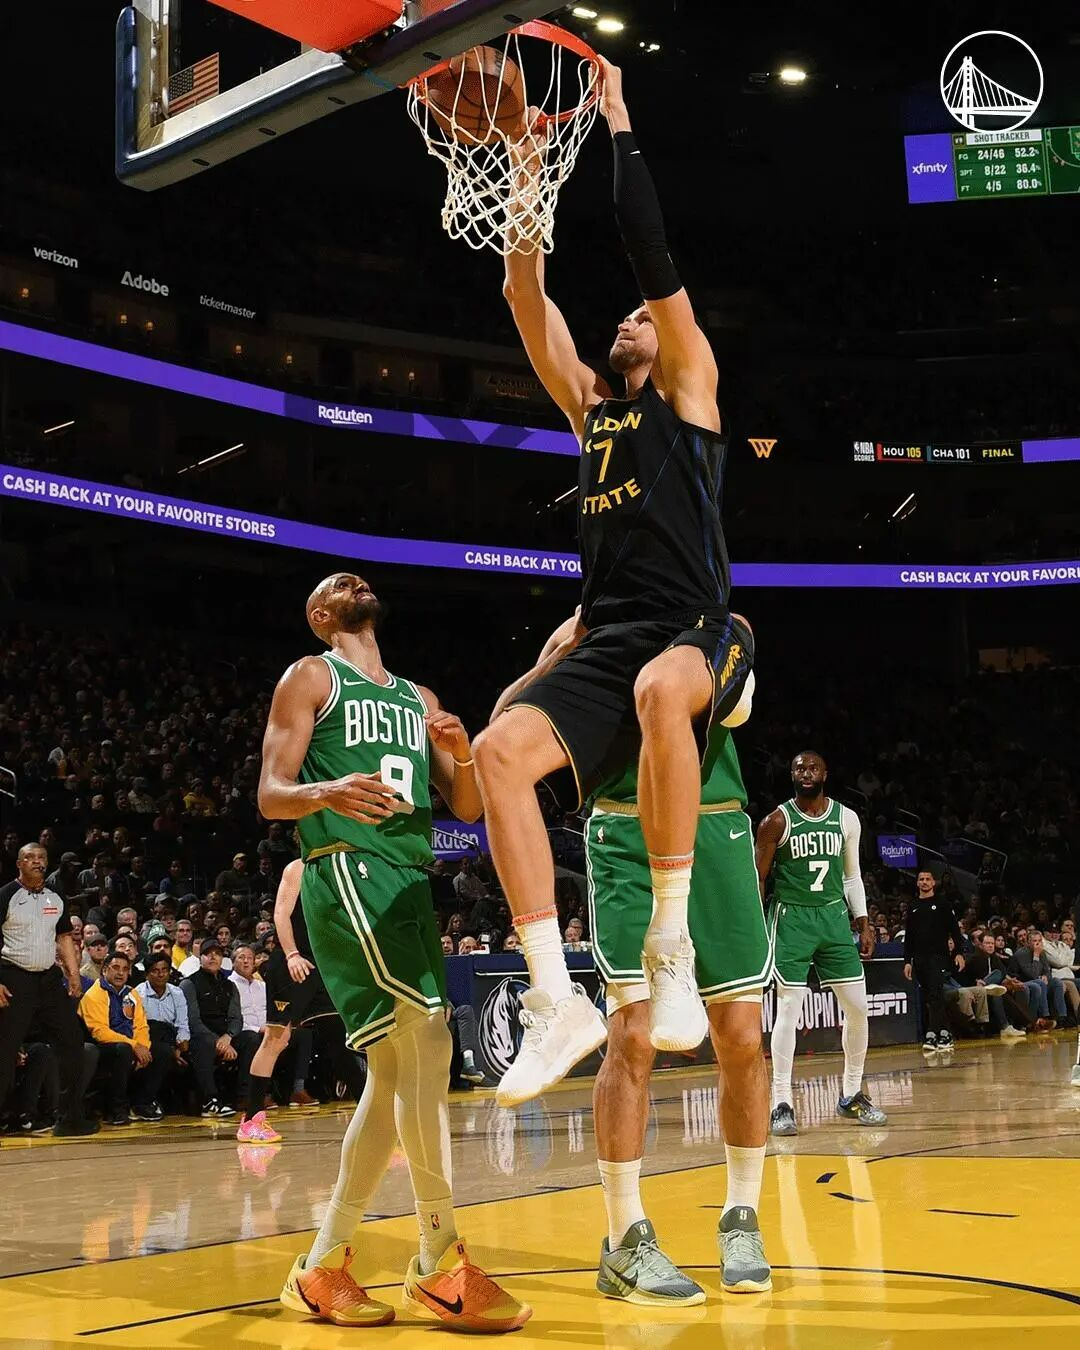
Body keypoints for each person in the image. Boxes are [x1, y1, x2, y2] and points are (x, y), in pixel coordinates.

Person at [472, 58, 754, 1106]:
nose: (633, 318)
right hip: (611, 631)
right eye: (631, 315)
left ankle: (671, 947)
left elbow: (651, 249)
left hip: (699, 624)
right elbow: (523, 292)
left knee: (658, 691)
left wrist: (619, 122)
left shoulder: (689, 392)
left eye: (645, 315)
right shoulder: (591, 413)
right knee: (499, 752)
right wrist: (524, 166)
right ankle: (556, 1001)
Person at [258, 572, 529, 1331]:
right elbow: (272, 792)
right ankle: (440, 1258)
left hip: (409, 880)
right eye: (334, 583)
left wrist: (461, 751)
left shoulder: (418, 697)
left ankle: (322, 1265)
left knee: (392, 1072)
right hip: (348, 867)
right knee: (431, 1040)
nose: (353, 579)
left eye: (358, 577)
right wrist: (327, 791)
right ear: (319, 615)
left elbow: (466, 806)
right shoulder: (312, 676)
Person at [755, 752, 887, 1133]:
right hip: (791, 919)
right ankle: (781, 1102)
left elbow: (851, 876)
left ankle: (852, 1094)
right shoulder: (776, 821)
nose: (806, 773)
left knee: (858, 1009)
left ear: (825, 774)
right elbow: (758, 878)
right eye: (799, 768)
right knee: (788, 1009)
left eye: (812, 768)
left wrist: (863, 922)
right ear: (791, 775)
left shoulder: (847, 818)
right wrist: (757, 928)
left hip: (832, 918)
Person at [237, 859, 343, 1145]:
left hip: (323, 967)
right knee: (276, 1039)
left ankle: (379, 1129)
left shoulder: (341, 868)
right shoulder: (297, 868)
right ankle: (251, 1120)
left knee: (341, 1039)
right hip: (293, 963)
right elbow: (281, 914)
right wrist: (292, 954)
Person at [0, 844, 99, 1136]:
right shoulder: (6, 895)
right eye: (30, 858)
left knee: (73, 1042)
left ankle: (69, 1117)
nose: (37, 862)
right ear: (19, 864)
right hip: (13, 977)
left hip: (48, 980)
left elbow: (65, 937)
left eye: (41, 857)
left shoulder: (56, 896)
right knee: (5, 1051)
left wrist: (74, 974)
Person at [78, 950, 156, 1125]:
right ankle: (116, 1110)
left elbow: (141, 1025)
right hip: (100, 1047)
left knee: (161, 1050)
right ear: (105, 970)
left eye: (125, 969)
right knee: (123, 1050)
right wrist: (134, 1045)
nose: (120, 973)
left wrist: (143, 1047)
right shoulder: (94, 994)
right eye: (115, 968)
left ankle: (141, 1104)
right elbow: (99, 1032)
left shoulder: (132, 994)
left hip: (129, 1045)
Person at [180, 936, 248, 1117]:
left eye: (217, 954)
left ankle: (244, 1095)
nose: (213, 957)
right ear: (200, 957)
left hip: (225, 1036)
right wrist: (218, 1041)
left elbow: (236, 1018)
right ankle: (210, 1100)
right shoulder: (189, 984)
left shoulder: (229, 985)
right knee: (202, 1043)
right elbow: (193, 1021)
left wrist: (228, 1037)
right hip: (202, 1035)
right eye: (208, 954)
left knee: (251, 1039)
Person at [903, 870, 965, 1052]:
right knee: (929, 996)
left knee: (936, 993)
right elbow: (909, 937)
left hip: (938, 956)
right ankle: (944, 1032)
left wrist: (958, 952)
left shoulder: (942, 904)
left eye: (927, 879)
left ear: (933, 883)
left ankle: (932, 1034)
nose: (924, 882)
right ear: (917, 883)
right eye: (921, 879)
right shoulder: (913, 906)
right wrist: (907, 961)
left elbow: (955, 930)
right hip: (919, 958)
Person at [134, 951, 191, 1117]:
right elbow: (138, 1026)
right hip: (147, 1038)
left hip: (172, 1038)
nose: (160, 974)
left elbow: (182, 1023)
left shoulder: (177, 993)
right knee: (158, 1035)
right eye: (155, 971)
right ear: (147, 974)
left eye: (164, 970)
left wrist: (180, 1044)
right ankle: (144, 1101)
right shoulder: (138, 994)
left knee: (194, 1048)